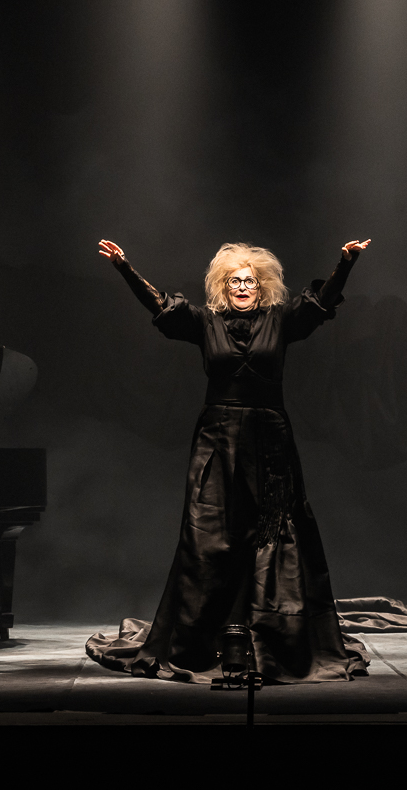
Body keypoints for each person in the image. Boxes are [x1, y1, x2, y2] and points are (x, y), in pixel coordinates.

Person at [85, 238, 372, 684]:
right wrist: (125, 267)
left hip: (269, 440)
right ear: (223, 286)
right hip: (217, 438)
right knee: (210, 538)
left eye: (249, 281)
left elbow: (321, 303)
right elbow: (159, 305)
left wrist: (345, 263)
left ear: (262, 287)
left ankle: (270, 638)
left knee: (275, 537)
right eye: (234, 281)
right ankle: (205, 639)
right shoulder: (205, 321)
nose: (242, 287)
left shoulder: (281, 319)